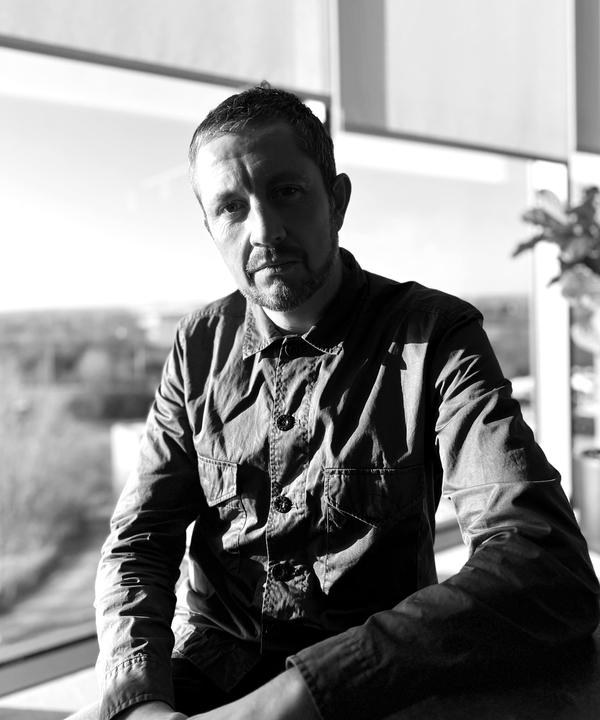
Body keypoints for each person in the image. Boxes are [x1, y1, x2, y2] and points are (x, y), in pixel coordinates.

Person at [70, 86, 599, 720]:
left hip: (367, 691)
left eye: (286, 191)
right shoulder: (197, 347)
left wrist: (292, 698)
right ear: (210, 229)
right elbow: (139, 539)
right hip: (210, 673)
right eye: (231, 208)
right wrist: (140, 703)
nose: (264, 231)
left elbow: (541, 559)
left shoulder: (434, 335)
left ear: (338, 200)